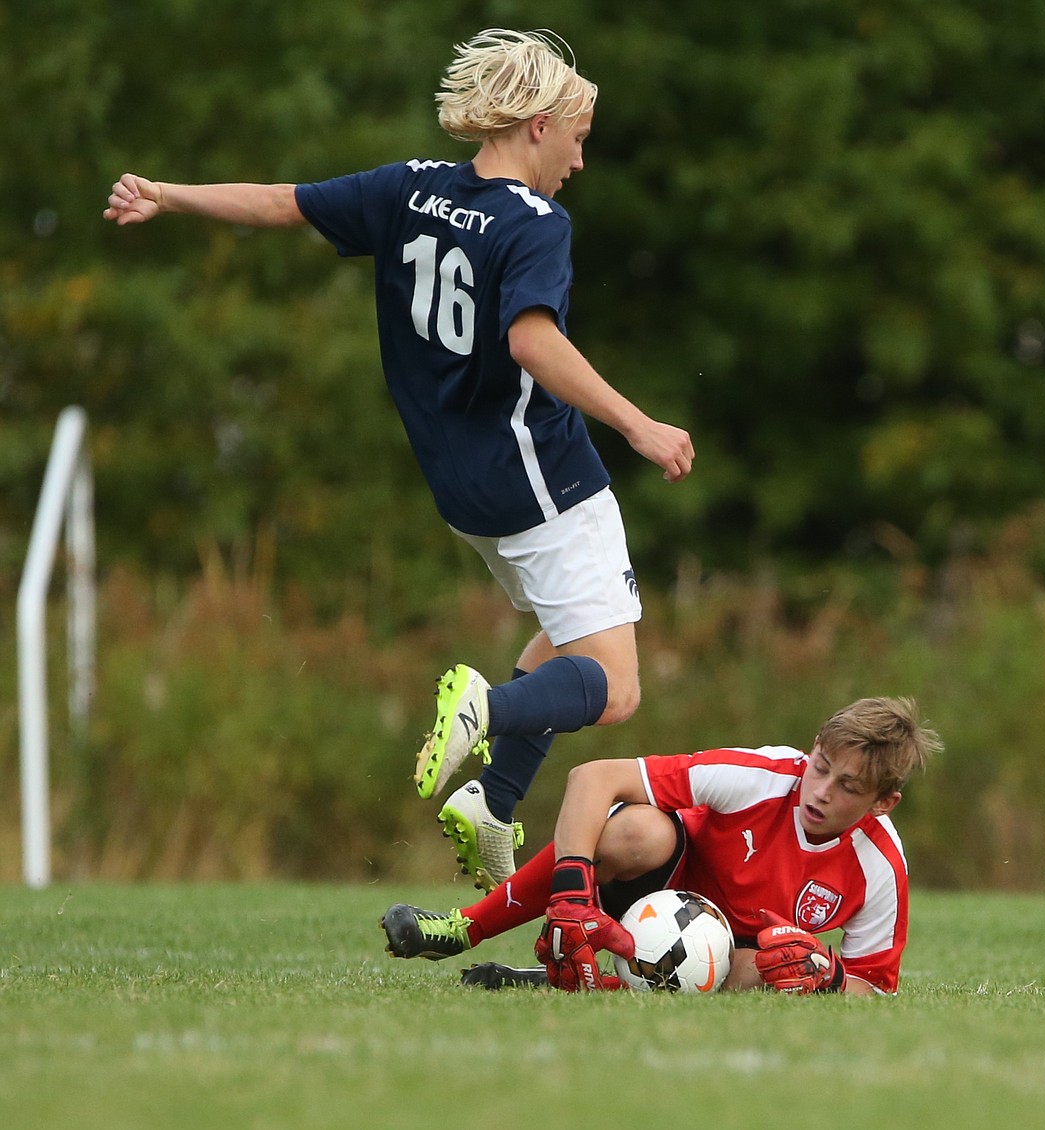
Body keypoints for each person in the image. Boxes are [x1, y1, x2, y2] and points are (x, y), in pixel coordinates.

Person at [103, 29, 694, 893]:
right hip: (545, 481)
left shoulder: (408, 189)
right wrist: (637, 423)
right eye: (577, 136)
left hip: (462, 491)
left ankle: (492, 804)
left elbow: (282, 202)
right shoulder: (535, 223)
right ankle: (484, 711)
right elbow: (531, 340)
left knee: (570, 638)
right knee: (613, 688)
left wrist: (168, 195)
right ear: (537, 125)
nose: (577, 158)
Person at [380, 696, 943, 994]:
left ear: (882, 802)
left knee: (767, 970)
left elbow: (873, 991)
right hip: (661, 878)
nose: (819, 791)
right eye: (821, 768)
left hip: (731, 953)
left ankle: (578, 983)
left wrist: (832, 977)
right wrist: (572, 898)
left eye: (848, 788)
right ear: (814, 747)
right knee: (634, 830)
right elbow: (593, 778)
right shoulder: (760, 776)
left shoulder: (881, 866)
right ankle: (464, 928)